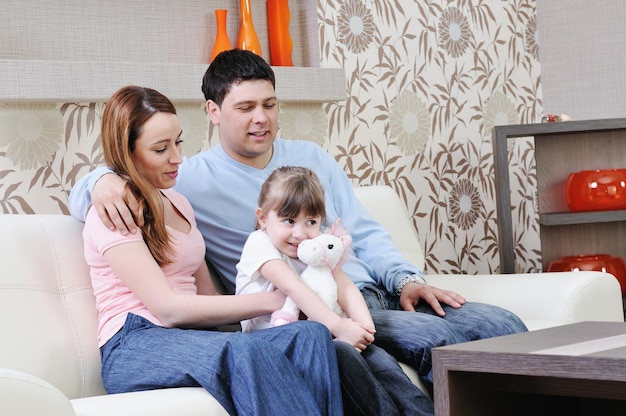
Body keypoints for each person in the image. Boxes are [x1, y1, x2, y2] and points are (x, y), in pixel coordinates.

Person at [70, 49, 528, 409]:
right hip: (307, 303)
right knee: (437, 342)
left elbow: (364, 233)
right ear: (212, 111)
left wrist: (407, 280)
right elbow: (113, 182)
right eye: (245, 107)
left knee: (503, 323)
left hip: (365, 289)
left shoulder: (307, 157)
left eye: (269, 104)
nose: (261, 118)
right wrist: (102, 179)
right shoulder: (188, 178)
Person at [82, 85, 345, 416]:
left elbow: (208, 298)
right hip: (134, 344)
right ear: (128, 152)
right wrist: (275, 299)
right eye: (161, 149)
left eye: (177, 142)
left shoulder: (179, 203)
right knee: (245, 352)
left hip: (190, 339)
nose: (177, 157)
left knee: (309, 336)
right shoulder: (113, 212)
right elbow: (168, 310)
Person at [236, 165, 434, 415]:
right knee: (342, 353)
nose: (299, 233)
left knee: (379, 359)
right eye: (288, 220)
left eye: (311, 222)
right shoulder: (259, 243)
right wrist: (340, 328)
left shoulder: (314, 249)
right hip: (269, 340)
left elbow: (345, 285)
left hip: (321, 334)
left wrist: (364, 328)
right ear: (263, 218)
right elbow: (293, 287)